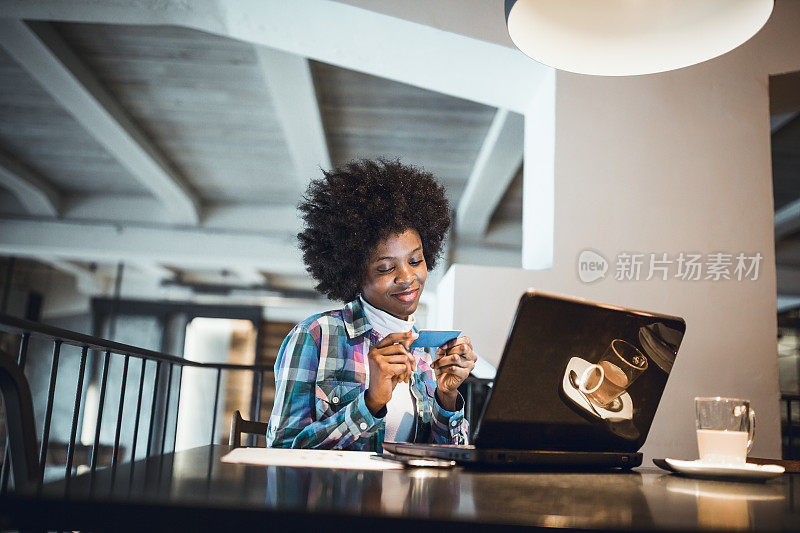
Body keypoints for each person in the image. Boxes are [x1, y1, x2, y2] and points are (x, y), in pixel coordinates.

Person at [266, 159, 478, 451]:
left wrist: (447, 397)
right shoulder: (316, 336)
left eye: (415, 261)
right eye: (386, 268)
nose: (408, 277)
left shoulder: (429, 354)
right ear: (354, 274)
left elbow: (451, 458)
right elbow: (282, 450)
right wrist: (370, 402)